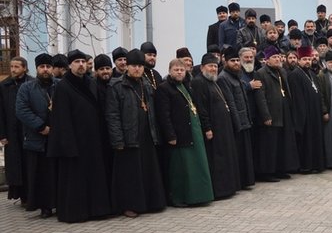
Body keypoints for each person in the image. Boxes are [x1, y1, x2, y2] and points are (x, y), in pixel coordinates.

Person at [48, 50, 112, 222]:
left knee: (94, 176)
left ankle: (97, 210)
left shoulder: (91, 83)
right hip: (74, 140)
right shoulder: (63, 86)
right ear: (70, 65)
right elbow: (61, 118)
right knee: (75, 179)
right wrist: (68, 144)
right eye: (77, 62)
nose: (81, 64)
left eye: (83, 61)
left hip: (93, 138)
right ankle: (76, 212)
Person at [106, 49, 166, 218]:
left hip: (147, 134)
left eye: (140, 66)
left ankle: (151, 202)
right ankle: (129, 205)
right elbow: (112, 115)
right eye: (134, 66)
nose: (137, 69)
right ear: (127, 67)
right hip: (128, 137)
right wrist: (117, 140)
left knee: (148, 170)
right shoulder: (116, 86)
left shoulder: (145, 84)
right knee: (130, 175)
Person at [156, 59, 214, 207]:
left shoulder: (188, 85)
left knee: (197, 166)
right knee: (181, 168)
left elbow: (197, 107)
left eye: (182, 70)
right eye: (176, 70)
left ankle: (199, 196)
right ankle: (179, 198)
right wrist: (170, 135)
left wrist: (206, 127)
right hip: (179, 134)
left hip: (194, 131)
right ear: (170, 71)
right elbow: (164, 114)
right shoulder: (164, 88)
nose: (180, 72)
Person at [191, 53, 241, 199]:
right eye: (210, 66)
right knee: (216, 159)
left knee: (225, 157)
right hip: (213, 128)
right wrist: (207, 128)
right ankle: (219, 190)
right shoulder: (199, 82)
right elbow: (201, 108)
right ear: (202, 68)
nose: (213, 69)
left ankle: (228, 188)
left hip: (222, 127)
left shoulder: (213, 81)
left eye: (215, 66)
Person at [15, 54, 57, 218]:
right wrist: (41, 127)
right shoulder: (27, 88)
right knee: (40, 175)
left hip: (57, 139)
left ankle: (58, 203)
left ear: (52, 68)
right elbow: (22, 110)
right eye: (42, 67)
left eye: (48, 66)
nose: (45, 69)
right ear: (36, 68)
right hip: (36, 139)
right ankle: (44, 207)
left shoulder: (59, 86)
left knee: (57, 173)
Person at [254, 45, 299, 181]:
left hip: (284, 113)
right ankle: (268, 172)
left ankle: (281, 169)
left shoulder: (282, 71)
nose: (278, 59)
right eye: (274, 57)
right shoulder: (261, 73)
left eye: (279, 56)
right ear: (267, 60)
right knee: (270, 145)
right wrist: (266, 116)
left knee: (282, 144)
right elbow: (260, 97)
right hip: (271, 113)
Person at [217, 47, 255, 190]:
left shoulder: (237, 76)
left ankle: (245, 181)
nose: (236, 63)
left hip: (244, 120)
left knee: (245, 154)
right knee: (238, 155)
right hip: (236, 123)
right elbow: (231, 102)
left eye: (237, 60)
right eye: (232, 61)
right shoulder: (223, 78)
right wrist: (238, 124)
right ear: (225, 62)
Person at [287, 46, 326, 173]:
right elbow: (297, 100)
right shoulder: (295, 75)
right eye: (304, 59)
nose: (307, 61)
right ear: (299, 61)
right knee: (307, 142)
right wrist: (302, 118)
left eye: (309, 59)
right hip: (305, 116)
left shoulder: (312, 74)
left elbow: (318, 93)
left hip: (315, 114)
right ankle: (306, 166)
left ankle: (316, 164)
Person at [0, 56, 31, 205]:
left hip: (28, 130)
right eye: (12, 66)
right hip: (11, 131)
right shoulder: (4, 86)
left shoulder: (31, 83)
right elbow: (0, 112)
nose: (13, 69)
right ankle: (19, 194)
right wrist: (2, 134)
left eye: (17, 66)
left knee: (29, 162)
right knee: (15, 164)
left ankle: (30, 193)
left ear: (24, 68)